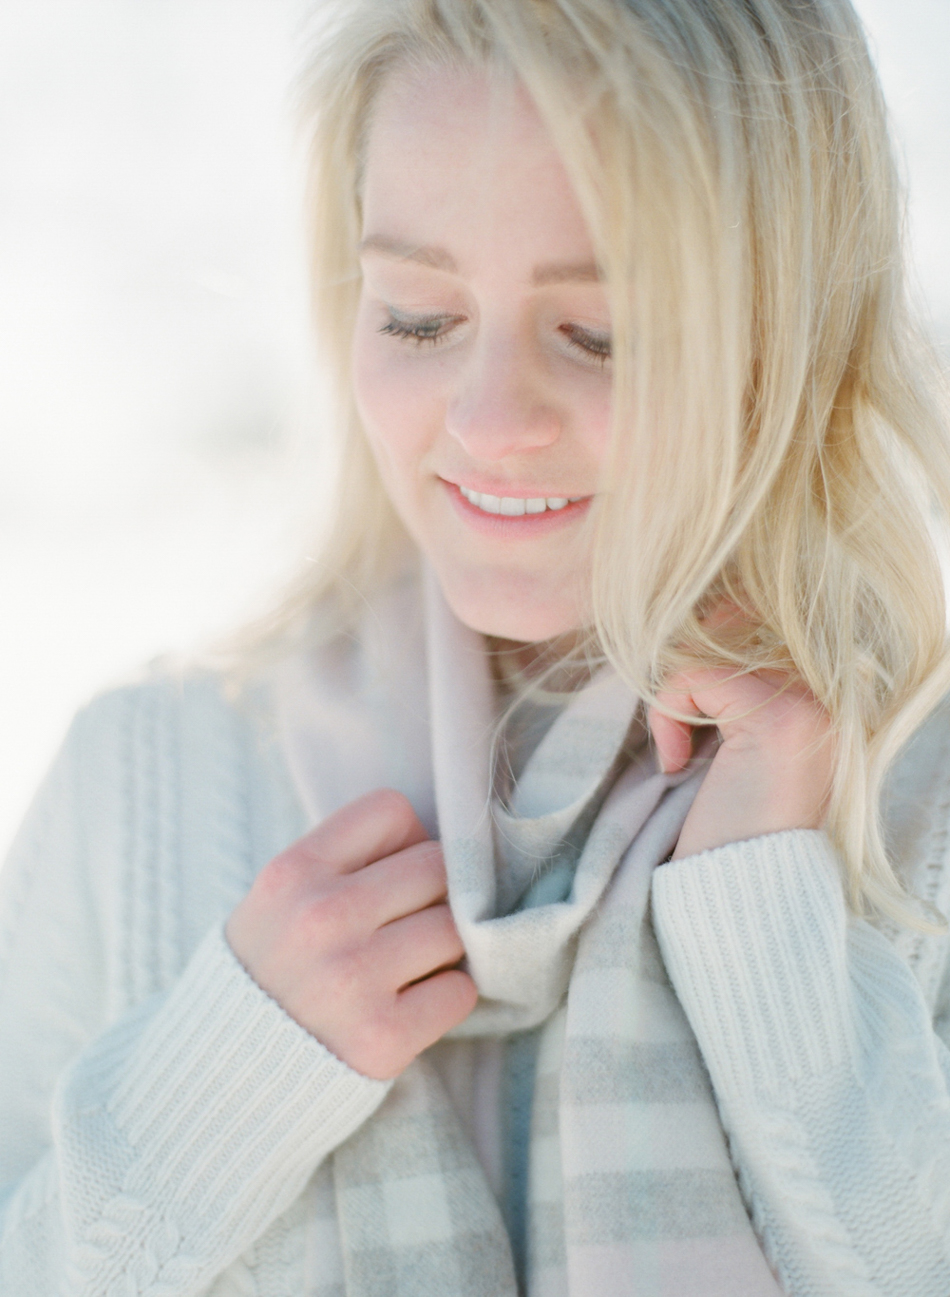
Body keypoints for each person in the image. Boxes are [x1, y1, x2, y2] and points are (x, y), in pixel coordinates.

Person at [2, 0, 950, 1293]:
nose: (490, 420)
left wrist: (768, 920)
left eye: (600, 335)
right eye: (414, 317)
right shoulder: (149, 780)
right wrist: (212, 1092)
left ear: (784, 340)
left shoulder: (921, 798)